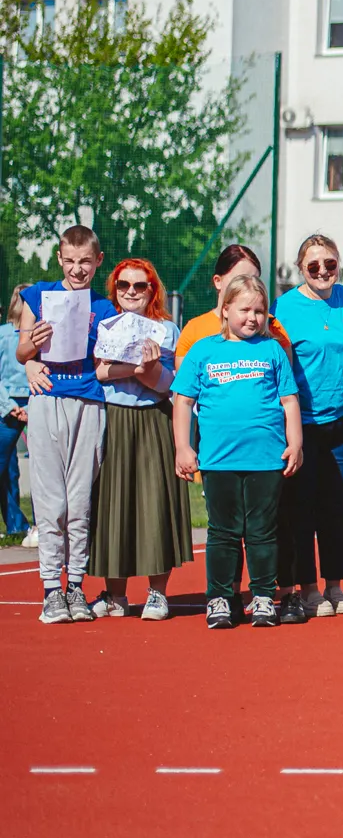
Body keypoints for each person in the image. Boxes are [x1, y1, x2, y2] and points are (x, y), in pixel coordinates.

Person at [171, 275, 303, 629]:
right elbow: (183, 401)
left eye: (259, 311)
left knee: (262, 531)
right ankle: (220, 597)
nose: (252, 318)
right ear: (226, 309)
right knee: (223, 531)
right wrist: (183, 447)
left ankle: (263, 596)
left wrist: (295, 443)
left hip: (266, 459)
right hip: (218, 460)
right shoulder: (204, 350)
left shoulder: (272, 350)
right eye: (245, 309)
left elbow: (289, 401)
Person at [274, 233, 343, 619]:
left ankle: (334, 585)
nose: (323, 271)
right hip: (301, 423)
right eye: (314, 266)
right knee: (302, 506)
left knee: (337, 506)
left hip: (342, 421)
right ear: (301, 269)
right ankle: (307, 588)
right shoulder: (284, 308)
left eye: (330, 264)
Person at [16, 225, 117, 625]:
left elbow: (106, 362)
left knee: (79, 501)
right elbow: (22, 350)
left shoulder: (105, 308)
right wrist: (31, 354)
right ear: (59, 258)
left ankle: (75, 585)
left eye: (85, 262)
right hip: (47, 401)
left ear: (98, 261)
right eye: (70, 261)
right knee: (51, 501)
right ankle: (50, 590)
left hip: (89, 403)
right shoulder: (39, 295)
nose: (77, 269)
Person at [86, 258, 190, 621]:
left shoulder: (167, 330)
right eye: (123, 285)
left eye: (139, 285)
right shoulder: (105, 323)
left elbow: (170, 385)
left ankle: (157, 594)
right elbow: (100, 373)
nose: (131, 292)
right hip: (113, 418)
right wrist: (137, 368)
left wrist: (148, 372)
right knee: (112, 504)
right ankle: (115, 595)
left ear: (152, 290)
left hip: (154, 418)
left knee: (154, 503)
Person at [175, 243, 294, 361]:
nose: (248, 285)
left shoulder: (272, 326)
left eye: (254, 279)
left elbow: (285, 369)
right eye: (239, 279)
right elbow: (185, 372)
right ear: (218, 281)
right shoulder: (195, 330)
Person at [0, 289, 31, 539]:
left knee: (42, 466)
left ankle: (24, 527)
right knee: (7, 469)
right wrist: (9, 406)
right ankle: (17, 526)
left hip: (28, 403)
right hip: (10, 406)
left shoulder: (40, 335)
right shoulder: (3, 335)